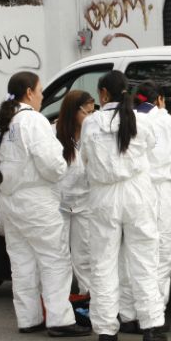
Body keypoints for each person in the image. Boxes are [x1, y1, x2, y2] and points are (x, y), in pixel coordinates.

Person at [0, 71, 91, 338]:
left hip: (8, 199)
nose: (43, 96)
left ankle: (28, 318)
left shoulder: (0, 119)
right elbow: (53, 164)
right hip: (36, 200)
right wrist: (60, 172)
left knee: (22, 262)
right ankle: (59, 320)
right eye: (41, 90)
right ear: (29, 92)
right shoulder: (33, 121)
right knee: (55, 260)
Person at [79, 70, 167, 341]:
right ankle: (151, 326)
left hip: (103, 196)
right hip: (137, 193)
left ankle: (106, 329)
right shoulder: (141, 121)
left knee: (103, 262)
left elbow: (84, 159)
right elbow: (152, 148)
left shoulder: (91, 123)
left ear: (104, 94)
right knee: (144, 261)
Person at [118, 81, 171, 334]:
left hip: (132, 191)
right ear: (160, 99)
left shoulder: (126, 120)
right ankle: (153, 315)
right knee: (160, 254)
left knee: (129, 254)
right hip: (160, 192)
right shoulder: (165, 121)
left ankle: (127, 314)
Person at [53, 90, 95, 303]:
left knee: (84, 254)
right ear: (73, 111)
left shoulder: (92, 133)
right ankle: (57, 300)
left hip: (84, 202)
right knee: (58, 254)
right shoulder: (54, 133)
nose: (90, 117)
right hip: (58, 203)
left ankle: (87, 299)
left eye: (93, 112)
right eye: (86, 112)